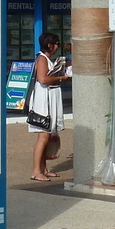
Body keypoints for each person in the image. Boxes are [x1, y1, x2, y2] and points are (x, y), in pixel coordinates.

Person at [27, 31, 69, 182]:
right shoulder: (42, 58)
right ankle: (36, 171)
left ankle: (43, 169)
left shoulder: (46, 59)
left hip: (50, 98)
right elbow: (43, 79)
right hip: (44, 101)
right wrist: (60, 77)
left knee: (47, 135)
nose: (57, 46)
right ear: (49, 45)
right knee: (43, 136)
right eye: (56, 43)